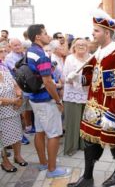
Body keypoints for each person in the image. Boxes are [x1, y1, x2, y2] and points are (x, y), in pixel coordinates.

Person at [67, 9, 115, 187]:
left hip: (110, 110)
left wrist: (112, 113)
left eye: (96, 30)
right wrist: (79, 77)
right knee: (89, 142)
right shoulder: (99, 53)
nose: (92, 33)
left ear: (107, 33)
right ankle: (87, 178)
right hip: (93, 108)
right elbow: (94, 77)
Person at [26, 24, 69, 178]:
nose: (47, 35)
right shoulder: (41, 54)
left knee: (40, 131)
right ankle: (52, 169)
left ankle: (44, 162)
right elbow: (48, 81)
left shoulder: (30, 51)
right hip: (45, 100)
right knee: (54, 134)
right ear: (38, 36)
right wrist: (58, 100)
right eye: (45, 33)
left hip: (34, 98)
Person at [0, 42, 28, 173]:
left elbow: (14, 83)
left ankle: (17, 156)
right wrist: (12, 100)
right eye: (0, 51)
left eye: (3, 51)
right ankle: (5, 161)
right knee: (2, 139)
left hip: (13, 109)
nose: (3, 54)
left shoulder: (3, 68)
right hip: (2, 112)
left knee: (17, 134)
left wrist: (19, 95)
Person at [63, 38, 89, 156]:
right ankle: (71, 147)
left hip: (87, 93)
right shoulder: (70, 59)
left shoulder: (91, 57)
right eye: (78, 44)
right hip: (72, 94)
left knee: (85, 121)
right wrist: (71, 78)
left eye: (84, 44)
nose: (81, 46)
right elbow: (65, 77)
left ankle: (83, 144)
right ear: (74, 46)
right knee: (73, 121)